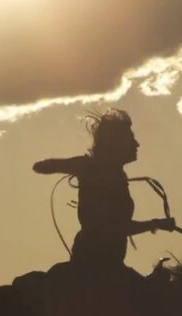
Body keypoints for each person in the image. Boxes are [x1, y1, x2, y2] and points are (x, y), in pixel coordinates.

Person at [32, 109, 174, 274]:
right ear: (116, 144)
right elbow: (115, 227)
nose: (137, 144)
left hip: (109, 264)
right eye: (131, 139)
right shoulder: (94, 170)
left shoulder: (113, 175)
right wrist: (156, 223)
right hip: (96, 266)